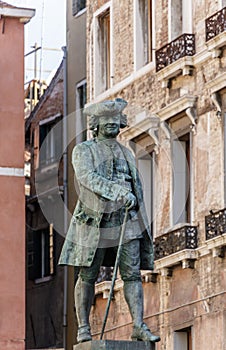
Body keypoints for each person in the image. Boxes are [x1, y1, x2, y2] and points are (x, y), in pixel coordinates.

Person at [59, 98, 160, 343]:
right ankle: (84, 327)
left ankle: (137, 325)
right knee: (88, 274)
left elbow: (135, 186)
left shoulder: (127, 152)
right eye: (107, 120)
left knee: (132, 273)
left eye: (116, 120)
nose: (113, 123)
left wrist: (131, 200)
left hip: (127, 219)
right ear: (96, 123)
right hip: (95, 220)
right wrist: (117, 192)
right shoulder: (83, 150)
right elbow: (87, 177)